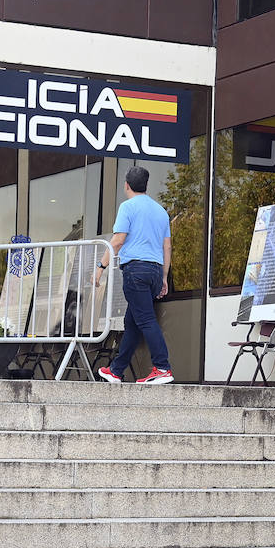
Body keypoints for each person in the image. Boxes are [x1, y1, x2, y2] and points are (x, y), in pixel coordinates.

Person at [95, 165, 173, 385]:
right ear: (146, 186)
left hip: (136, 270)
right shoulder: (161, 211)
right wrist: (164, 277)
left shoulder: (127, 207)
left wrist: (100, 267)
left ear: (126, 185)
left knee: (145, 319)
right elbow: (167, 247)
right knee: (133, 321)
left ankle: (162, 367)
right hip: (156, 270)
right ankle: (116, 370)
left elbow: (118, 240)